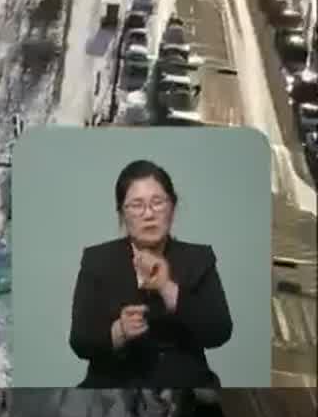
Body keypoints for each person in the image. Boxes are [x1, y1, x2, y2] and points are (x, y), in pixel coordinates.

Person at [68, 159, 231, 390]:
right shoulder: (97, 260)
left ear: (172, 208)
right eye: (136, 205)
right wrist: (119, 331)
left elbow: (219, 332)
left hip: (184, 393)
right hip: (113, 392)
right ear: (122, 214)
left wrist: (167, 288)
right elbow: (80, 342)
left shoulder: (199, 259)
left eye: (158, 203)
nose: (148, 214)